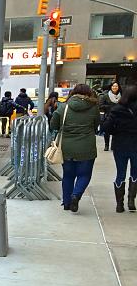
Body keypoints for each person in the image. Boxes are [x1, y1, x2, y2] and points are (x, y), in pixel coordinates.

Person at [50, 84, 100, 213]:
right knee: (84, 175)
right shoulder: (94, 108)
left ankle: (66, 203)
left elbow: (53, 124)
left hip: (67, 147)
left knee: (68, 175)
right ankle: (76, 195)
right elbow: (96, 126)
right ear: (88, 93)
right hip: (87, 147)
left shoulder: (63, 107)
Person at [101, 85, 137, 213]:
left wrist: (116, 131)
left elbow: (106, 127)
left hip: (120, 144)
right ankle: (131, 201)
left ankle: (119, 205)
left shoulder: (116, 109)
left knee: (120, 173)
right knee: (135, 173)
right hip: (135, 144)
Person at [98, 81, 121, 151]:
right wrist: (109, 107)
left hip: (119, 116)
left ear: (118, 87)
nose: (115, 87)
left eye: (116, 86)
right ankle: (106, 145)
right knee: (107, 131)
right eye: (113, 86)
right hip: (108, 116)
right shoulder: (105, 95)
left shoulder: (121, 95)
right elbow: (100, 105)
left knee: (117, 131)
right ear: (111, 87)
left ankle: (114, 145)